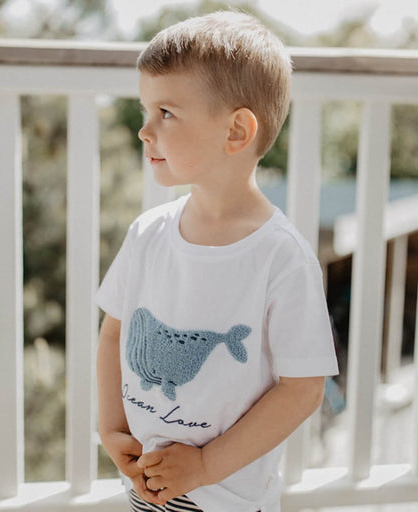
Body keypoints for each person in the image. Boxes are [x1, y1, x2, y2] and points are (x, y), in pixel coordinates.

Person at [96, 11, 338, 512]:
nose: (144, 131)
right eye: (145, 110)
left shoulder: (281, 257)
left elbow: (303, 390)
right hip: (146, 486)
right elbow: (115, 333)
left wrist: (205, 466)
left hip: (228, 498)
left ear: (236, 131)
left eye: (166, 113)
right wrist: (113, 427)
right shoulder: (146, 235)